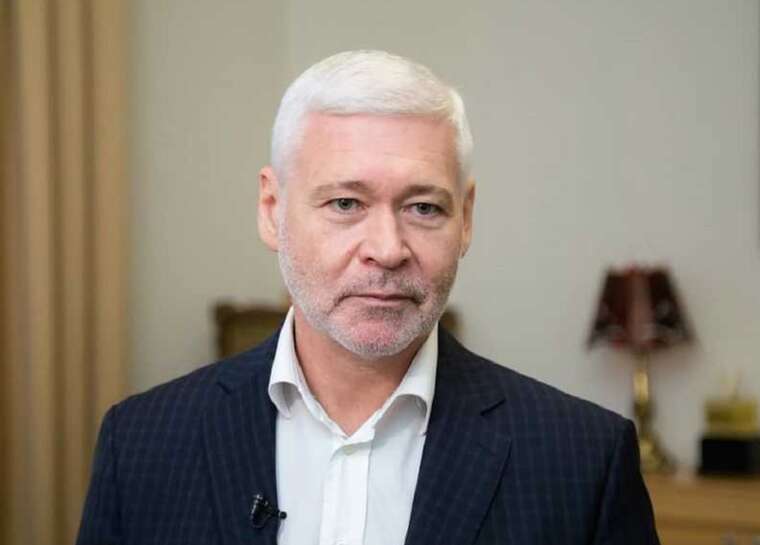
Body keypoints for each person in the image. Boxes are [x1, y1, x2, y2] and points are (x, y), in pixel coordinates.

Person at [77, 50, 659, 545]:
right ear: (272, 210)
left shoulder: (583, 461)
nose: (387, 249)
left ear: (466, 220)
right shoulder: (143, 443)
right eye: (345, 204)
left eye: (423, 208)